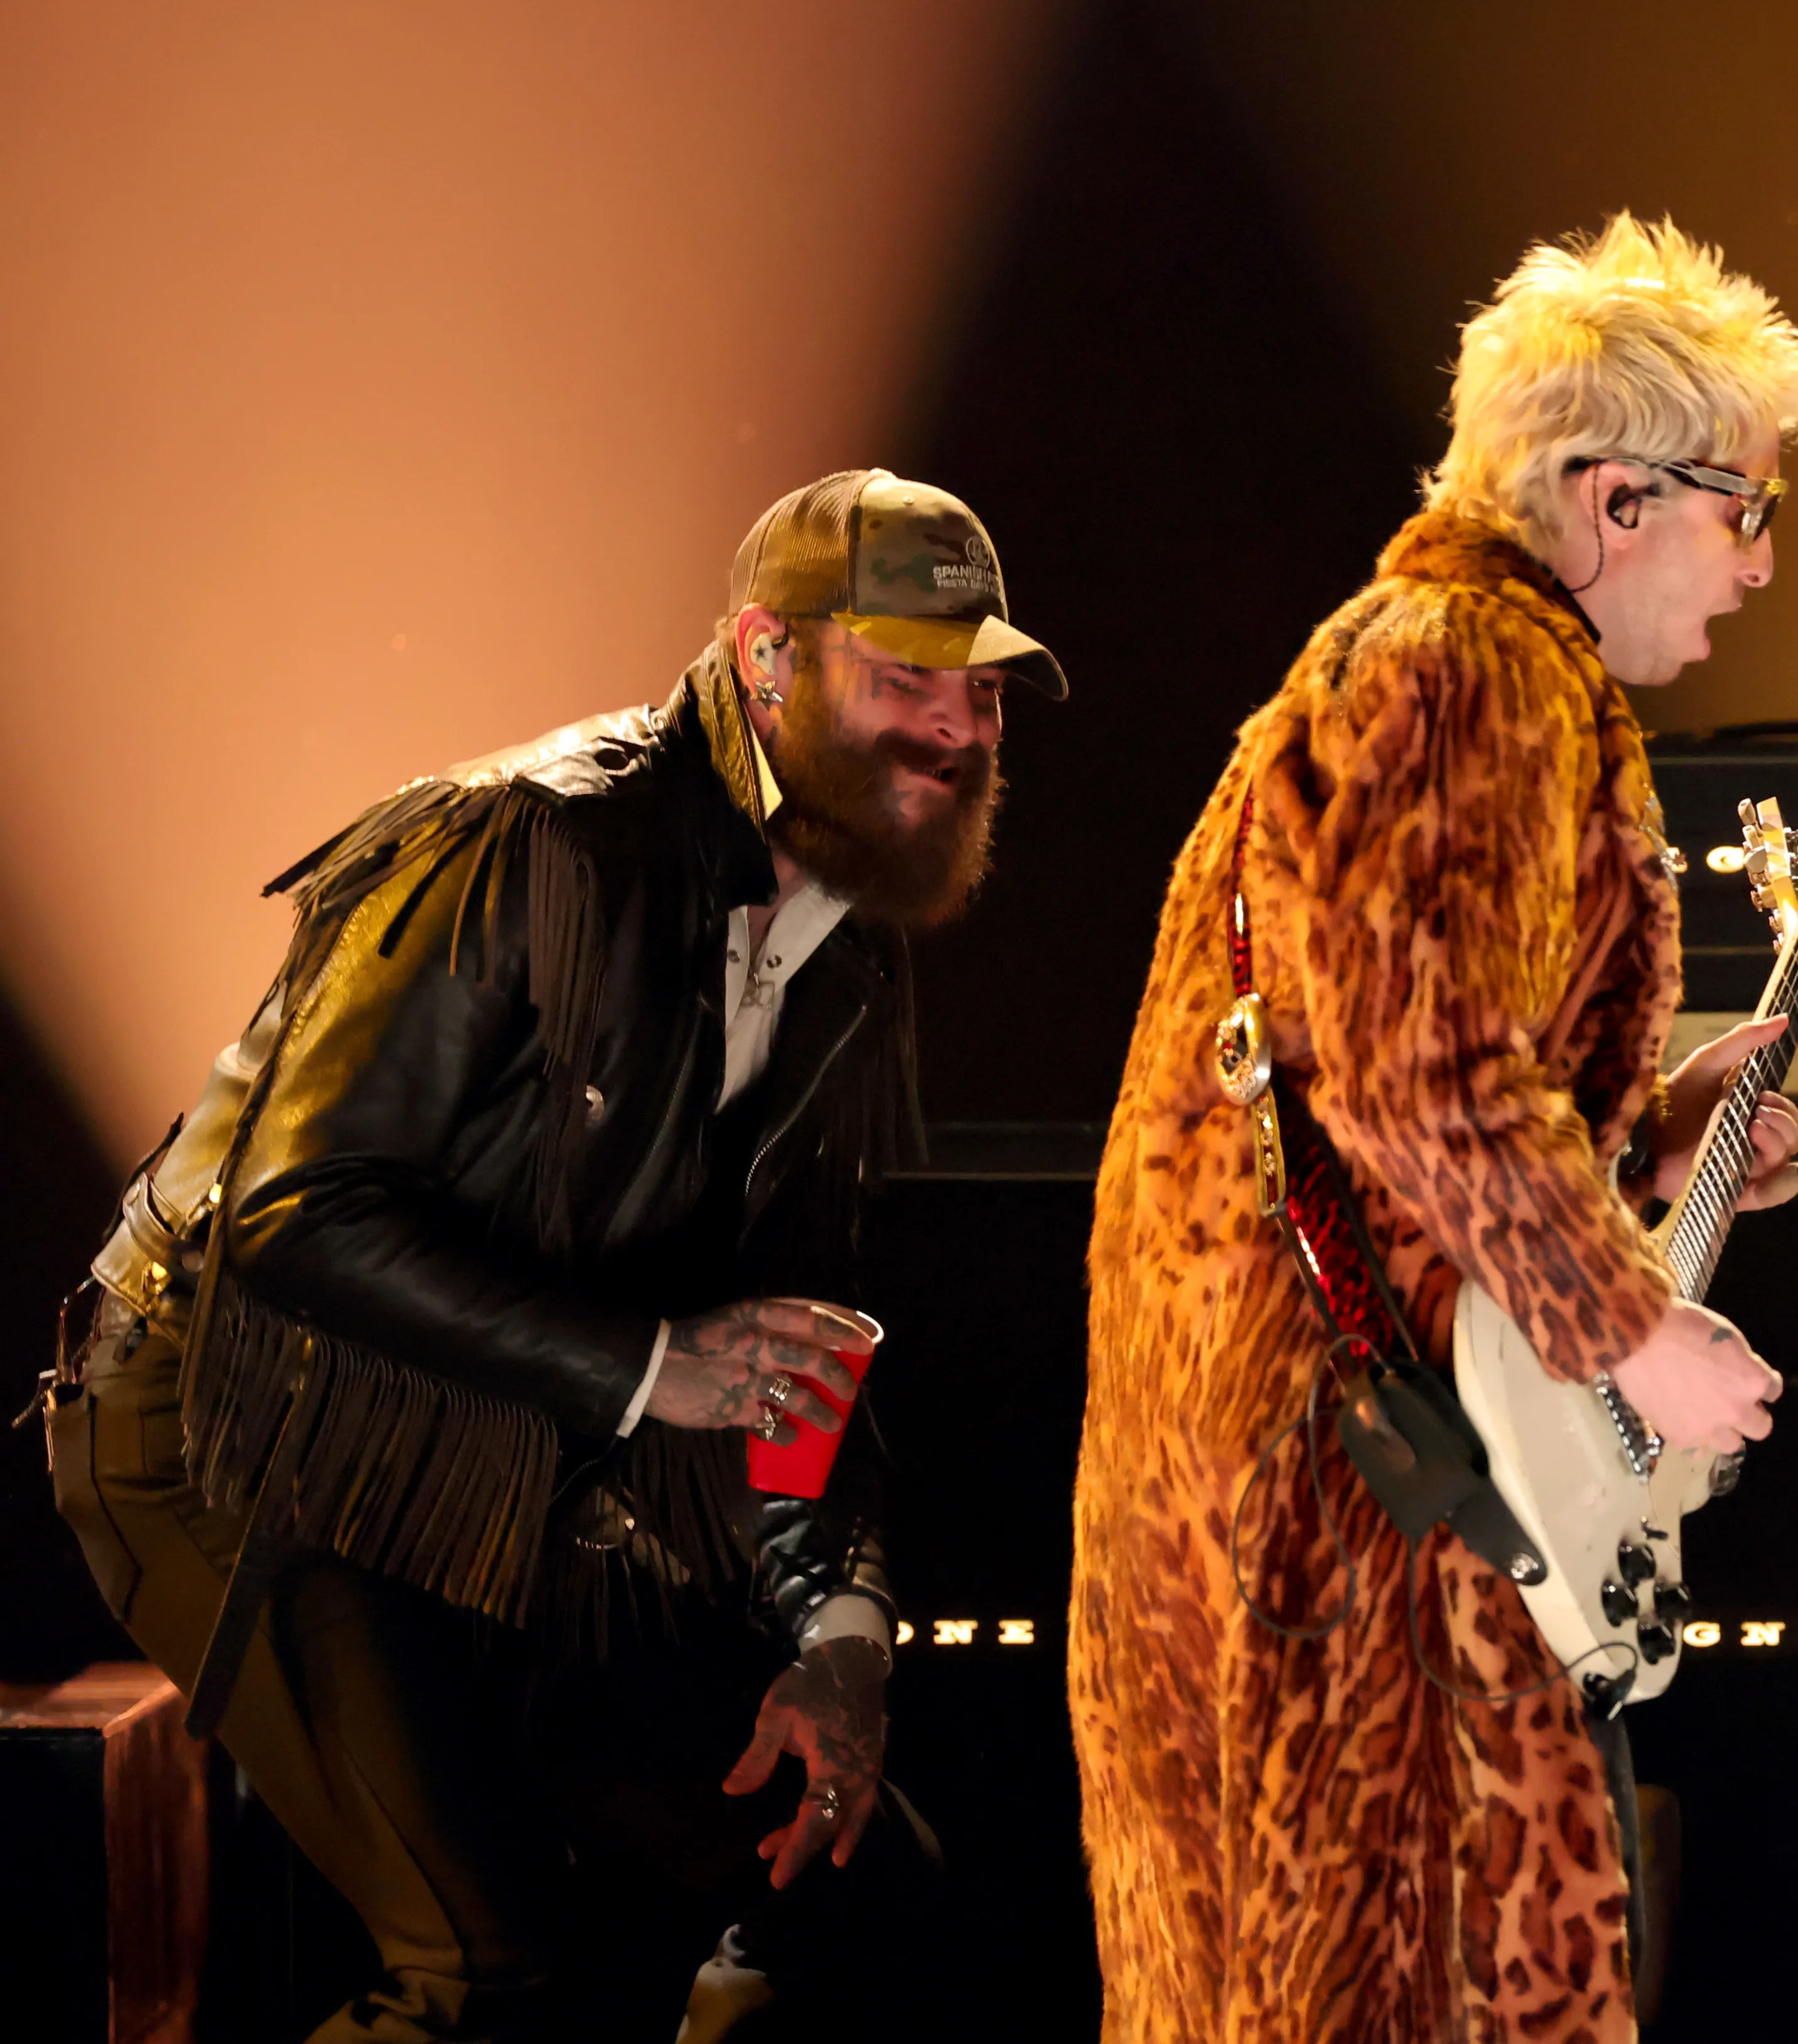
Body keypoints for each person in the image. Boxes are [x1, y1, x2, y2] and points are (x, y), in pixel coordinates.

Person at [42, 468, 1060, 2038]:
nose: (957, 727)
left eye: (982, 691)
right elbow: (296, 1212)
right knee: (488, 1973)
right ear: (764, 659)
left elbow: (791, 1359)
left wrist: (838, 1640)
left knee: (855, 1880)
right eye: (904, 676)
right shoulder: (537, 843)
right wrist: (653, 1368)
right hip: (233, 1419)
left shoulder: (845, 954)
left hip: (499, 1439)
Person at [1073, 214, 1798, 2043]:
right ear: (1606, 497)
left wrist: (1639, 1141)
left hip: (1337, 1464)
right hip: (1356, 1511)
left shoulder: (1435, 656)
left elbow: (1391, 1053)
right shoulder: (1470, 659)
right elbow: (1420, 1064)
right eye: (1747, 508)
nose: (1757, 567)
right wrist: (1636, 1328)